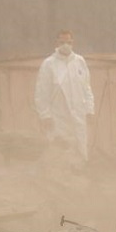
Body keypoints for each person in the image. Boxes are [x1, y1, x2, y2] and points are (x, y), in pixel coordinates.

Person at [34, 30, 95, 162]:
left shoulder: (79, 62)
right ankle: (62, 177)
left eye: (68, 42)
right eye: (62, 42)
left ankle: (82, 174)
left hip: (79, 114)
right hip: (58, 116)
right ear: (57, 43)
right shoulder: (49, 64)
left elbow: (87, 88)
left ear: (73, 43)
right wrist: (45, 115)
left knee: (81, 147)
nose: (65, 45)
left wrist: (90, 110)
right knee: (61, 149)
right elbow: (41, 92)